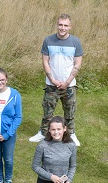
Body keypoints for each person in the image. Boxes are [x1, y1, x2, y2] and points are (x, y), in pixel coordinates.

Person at [30, 14, 84, 147]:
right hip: (51, 85)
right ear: (57, 25)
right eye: (60, 25)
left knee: (69, 112)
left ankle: (71, 134)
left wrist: (67, 82)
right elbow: (45, 62)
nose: (63, 28)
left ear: (70, 27)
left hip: (69, 86)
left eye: (65, 25)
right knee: (47, 112)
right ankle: (43, 133)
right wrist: (52, 80)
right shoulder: (48, 40)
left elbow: (77, 64)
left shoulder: (75, 42)